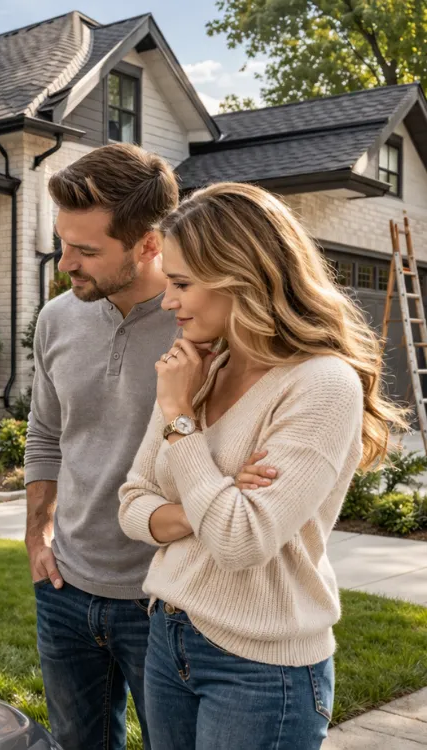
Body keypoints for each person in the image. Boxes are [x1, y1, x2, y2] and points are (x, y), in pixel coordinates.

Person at [118, 182, 406, 749]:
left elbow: (240, 542)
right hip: (168, 631)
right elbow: (131, 506)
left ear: (240, 276)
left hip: (260, 666)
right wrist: (221, 493)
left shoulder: (320, 384)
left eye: (180, 284)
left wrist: (181, 420)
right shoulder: (201, 364)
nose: (167, 301)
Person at [24, 143, 180, 750]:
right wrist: (36, 536)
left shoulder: (201, 319)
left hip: (163, 598)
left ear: (148, 244)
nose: (67, 264)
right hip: (65, 587)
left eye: (87, 251)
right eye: (63, 243)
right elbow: (46, 433)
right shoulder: (57, 319)